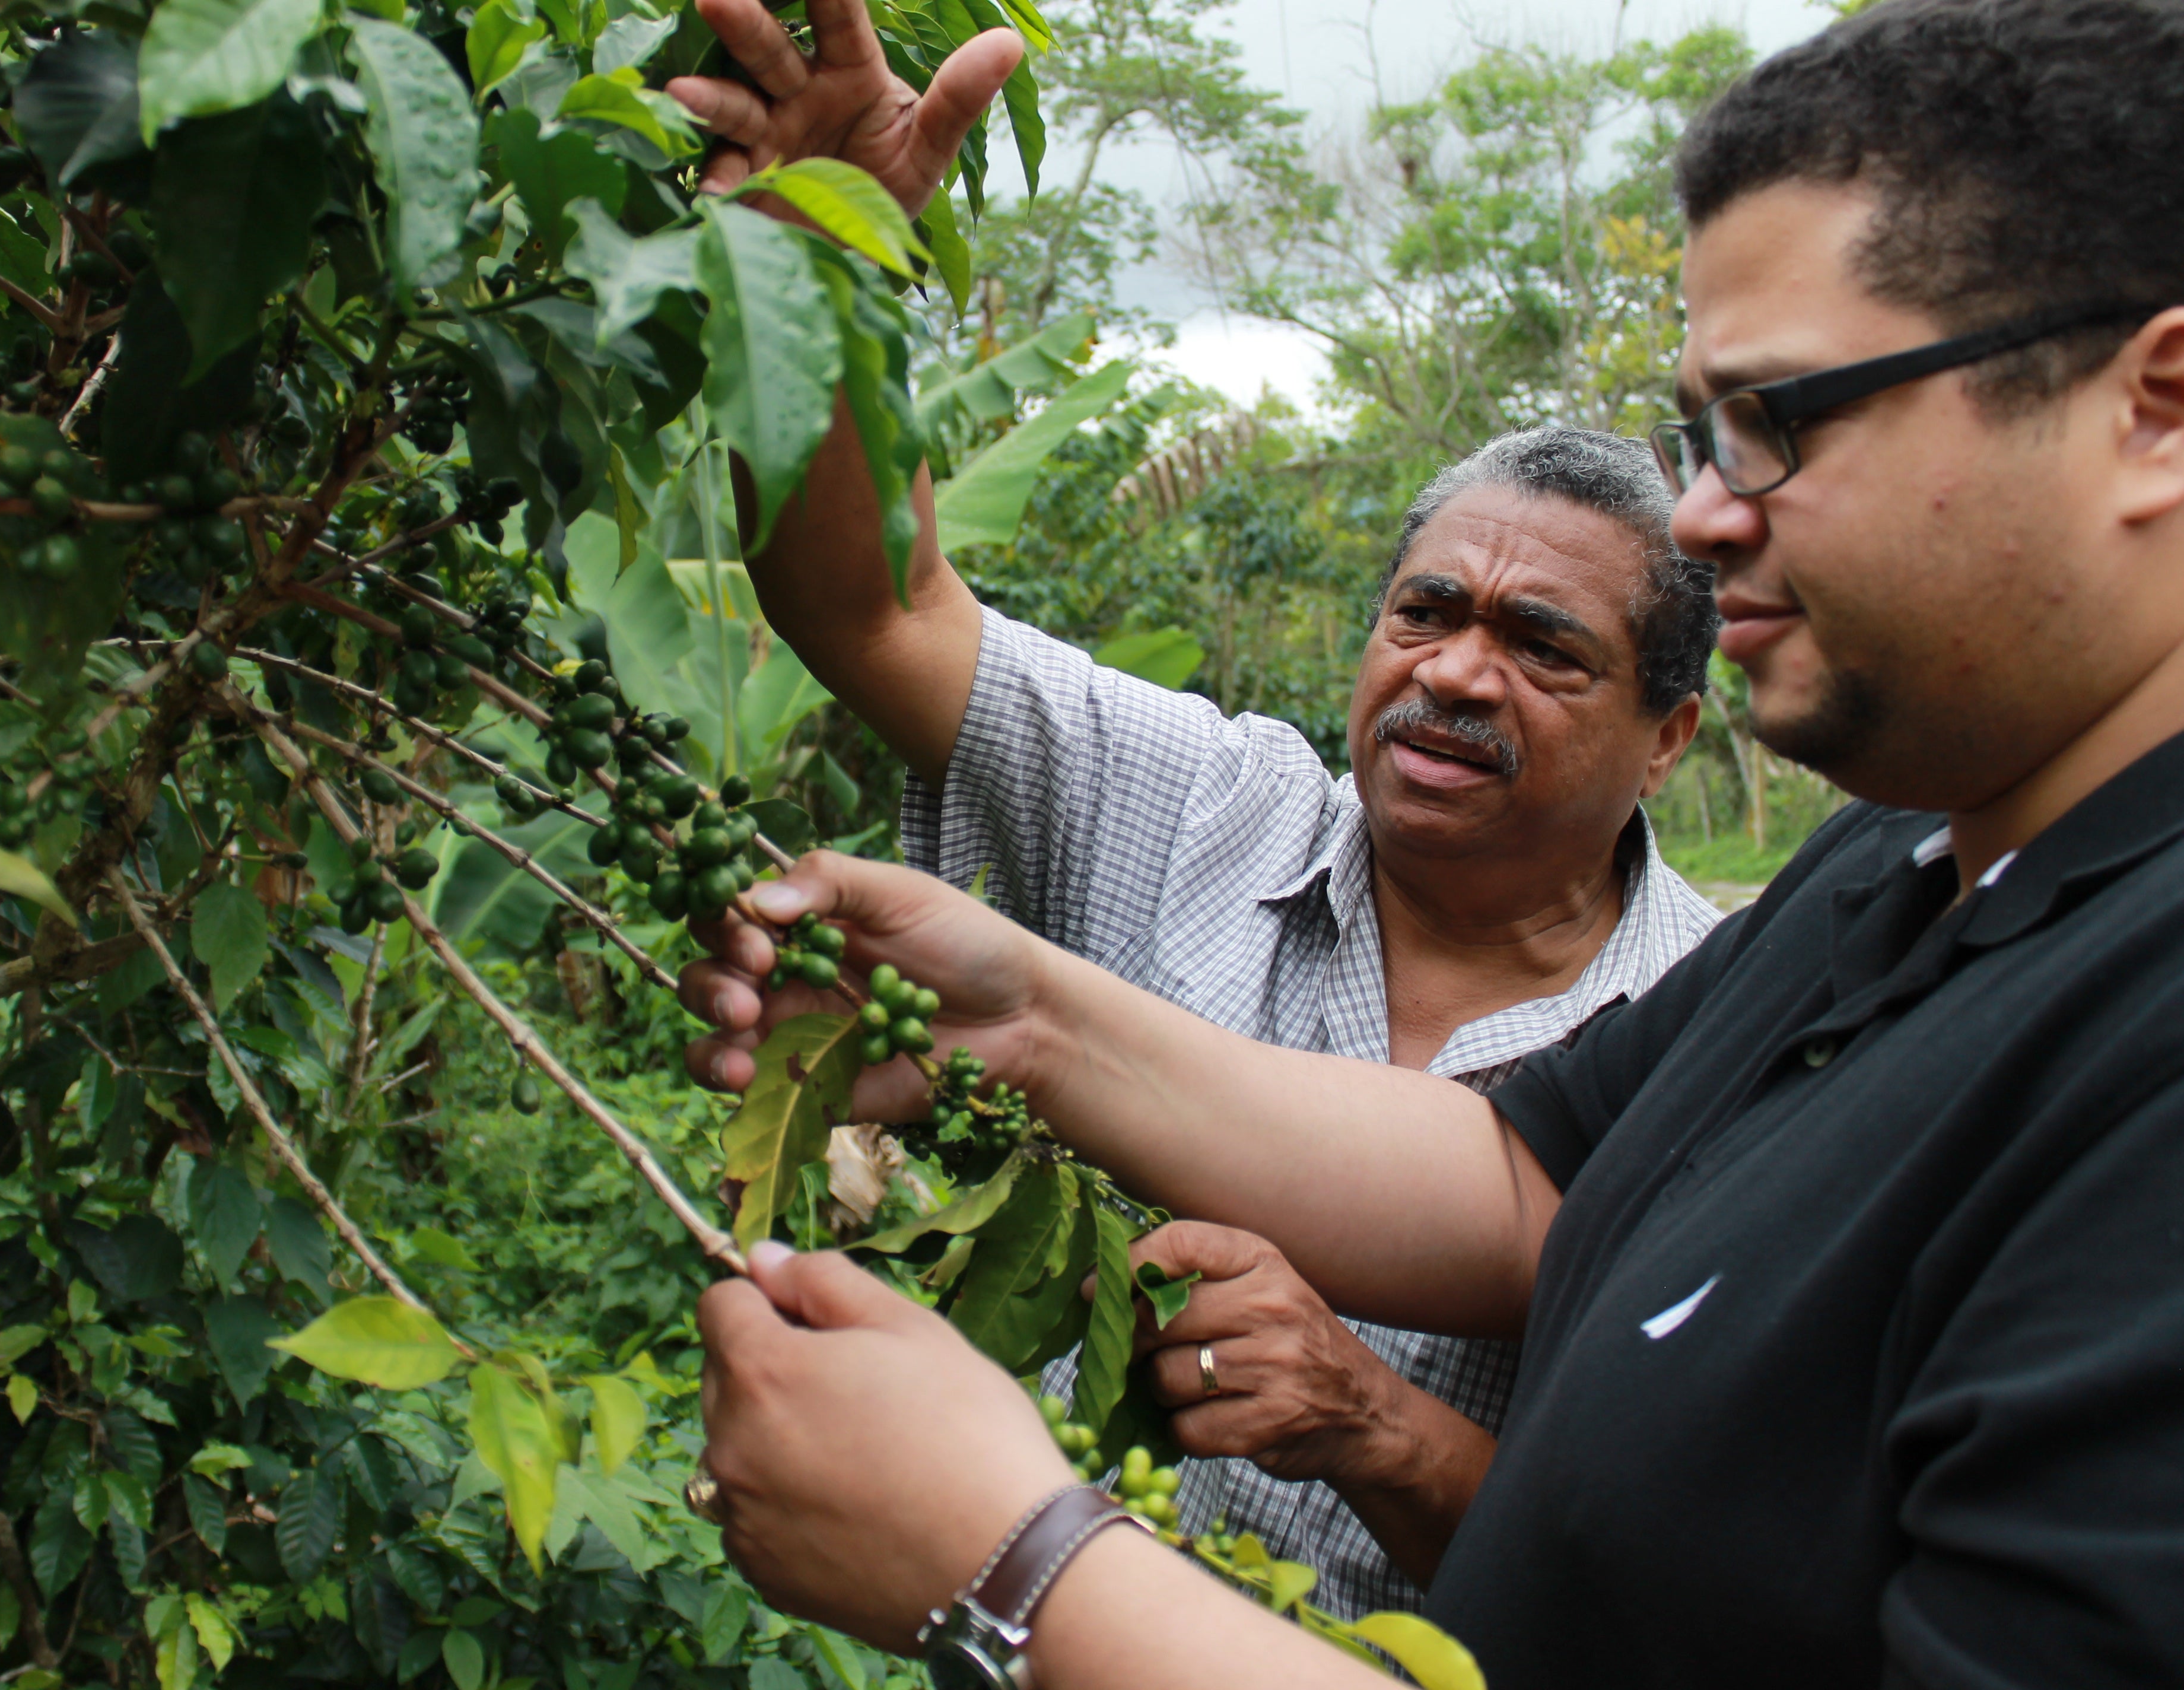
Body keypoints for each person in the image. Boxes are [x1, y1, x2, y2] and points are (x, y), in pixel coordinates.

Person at [668, 0, 2184, 1686]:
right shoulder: (1894, 873)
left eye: (1782, 422)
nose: (1704, 510)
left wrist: (1019, 1573)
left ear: (2156, 407)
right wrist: (1022, 1014)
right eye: (1704, 435)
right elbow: (1525, 1180)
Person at [700, 412, 1718, 1612]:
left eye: (1543, 647)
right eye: (1425, 613)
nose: (1452, 672)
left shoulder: (1727, 1033)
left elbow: (1684, 1595)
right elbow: (884, 608)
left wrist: (1379, 1426)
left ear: (1667, 739)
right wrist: (818, 246)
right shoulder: (1204, 809)